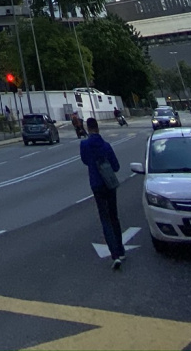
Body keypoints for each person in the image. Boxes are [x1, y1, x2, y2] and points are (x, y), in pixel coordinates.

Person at [80, 116, 125, 270]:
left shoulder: (84, 144)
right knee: (114, 216)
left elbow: (85, 161)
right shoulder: (106, 146)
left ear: (88, 128)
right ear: (98, 128)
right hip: (109, 184)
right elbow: (116, 166)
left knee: (105, 218)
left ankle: (115, 254)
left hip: (96, 184)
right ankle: (120, 248)